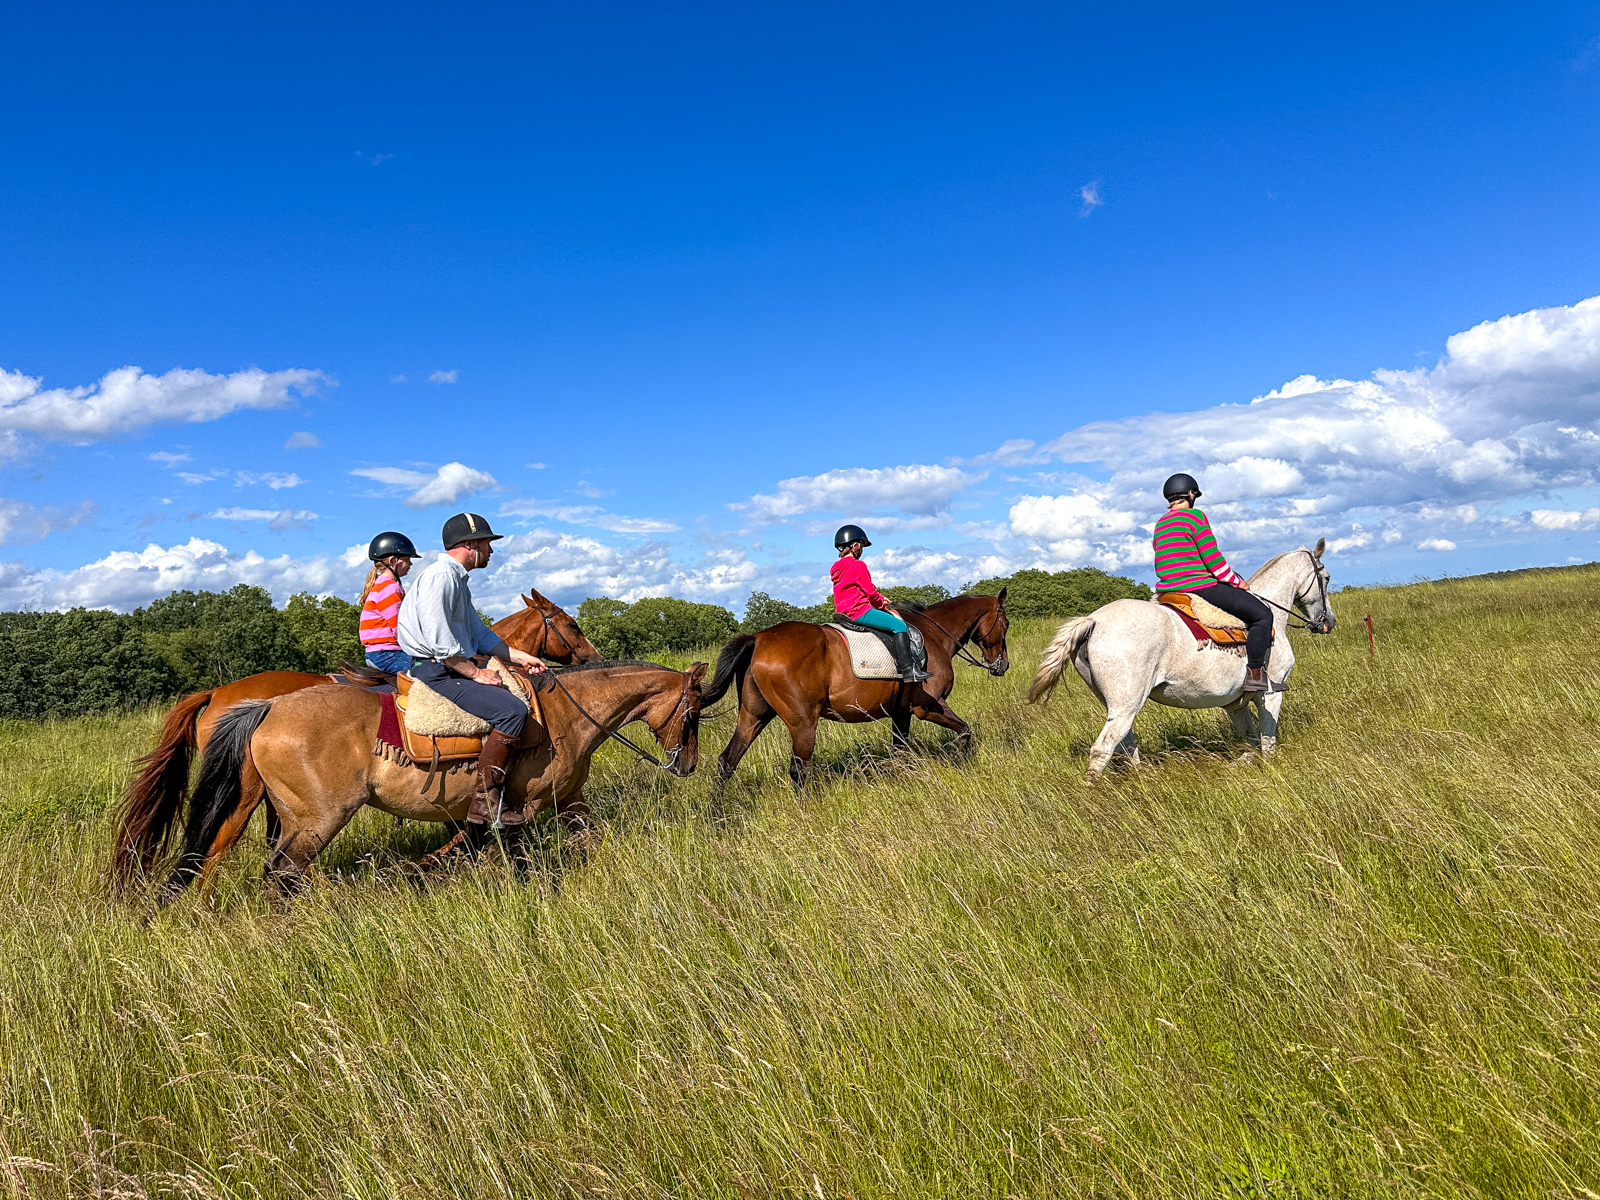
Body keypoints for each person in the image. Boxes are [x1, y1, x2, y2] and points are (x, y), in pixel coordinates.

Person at [396, 512, 548, 828]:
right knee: (512, 711)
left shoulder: (456, 580)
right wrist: (476, 674)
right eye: (487, 544)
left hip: (448, 666)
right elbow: (441, 643)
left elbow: (480, 635)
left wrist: (521, 658)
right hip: (438, 670)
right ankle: (486, 805)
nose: (491, 551)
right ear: (470, 544)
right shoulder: (442, 577)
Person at [1152, 473, 1274, 693]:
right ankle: (1256, 675)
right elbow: (1213, 560)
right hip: (1199, 586)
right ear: (1191, 494)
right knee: (1263, 616)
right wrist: (1236, 581)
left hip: (1168, 590)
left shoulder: (1160, 524)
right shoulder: (1194, 517)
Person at [830, 523, 930, 683]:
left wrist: (880, 596)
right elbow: (869, 592)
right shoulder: (858, 565)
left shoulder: (836, 567)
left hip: (843, 613)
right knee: (899, 626)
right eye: (861, 546)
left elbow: (857, 590)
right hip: (860, 612)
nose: (861, 550)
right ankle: (908, 670)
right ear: (855, 545)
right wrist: (882, 607)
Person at [358, 531, 419, 673]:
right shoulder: (390, 588)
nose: (410, 563)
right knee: (428, 670)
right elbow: (400, 628)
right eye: (407, 559)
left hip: (381, 653)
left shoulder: (381, 585)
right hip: (388, 654)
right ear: (393, 561)